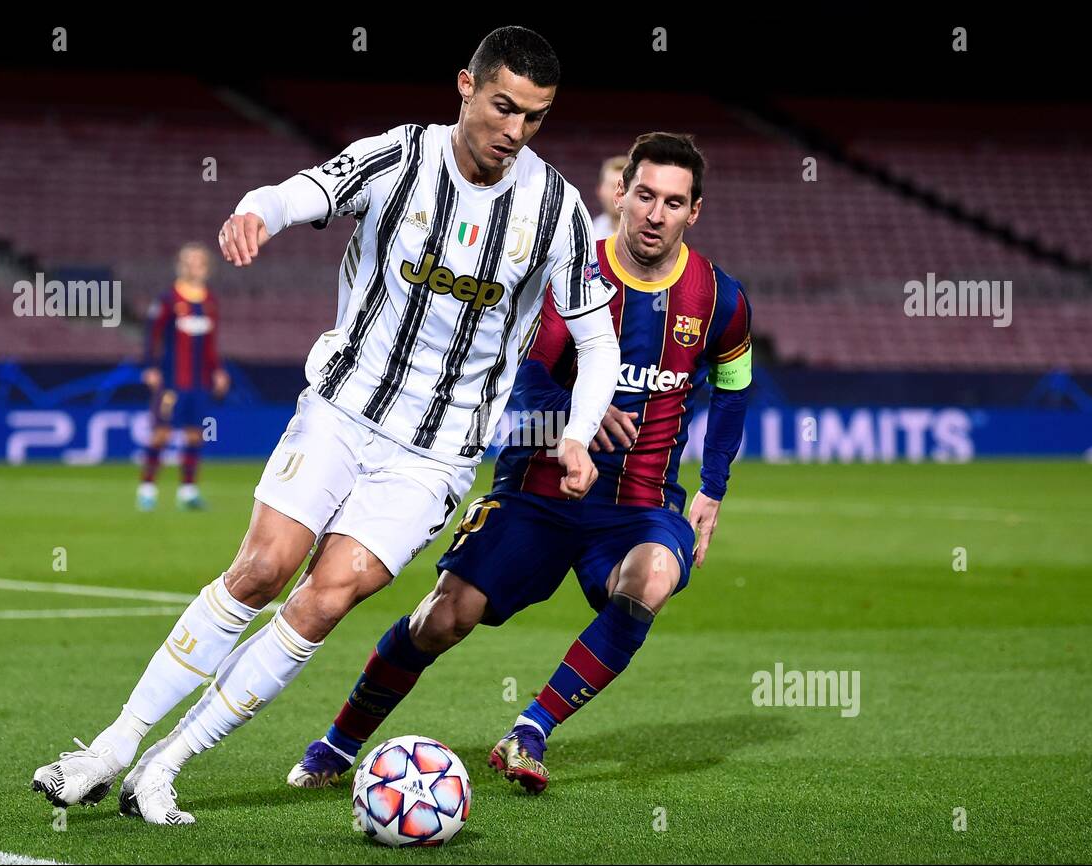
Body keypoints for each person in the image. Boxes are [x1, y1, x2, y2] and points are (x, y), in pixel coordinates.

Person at [32, 25, 620, 825]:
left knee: (328, 595)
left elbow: (596, 340)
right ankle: (112, 746)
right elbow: (300, 190)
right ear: (466, 86)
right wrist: (255, 213)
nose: (515, 133)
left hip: (438, 454)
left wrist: (579, 433)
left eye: (536, 118)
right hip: (343, 410)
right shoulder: (398, 157)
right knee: (265, 568)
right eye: (504, 107)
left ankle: (165, 766)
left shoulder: (556, 209)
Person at [289, 132, 752, 793]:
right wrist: (574, 419)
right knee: (445, 615)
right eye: (644, 195)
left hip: (640, 505)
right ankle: (338, 742)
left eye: (674, 202)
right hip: (538, 490)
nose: (655, 214)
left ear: (694, 211)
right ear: (620, 194)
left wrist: (713, 486)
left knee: (650, 577)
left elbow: (734, 385)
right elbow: (526, 370)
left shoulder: (720, 299)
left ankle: (531, 728)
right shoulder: (571, 273)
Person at [138, 243, 229, 510]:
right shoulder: (168, 299)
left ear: (207, 267)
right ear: (180, 264)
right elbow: (151, 335)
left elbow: (211, 344)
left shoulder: (210, 301)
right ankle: (147, 489)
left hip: (199, 382)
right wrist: (150, 367)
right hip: (171, 380)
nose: (194, 265)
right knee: (162, 434)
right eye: (189, 260)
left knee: (193, 435)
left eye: (199, 261)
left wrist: (218, 371)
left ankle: (188, 492)